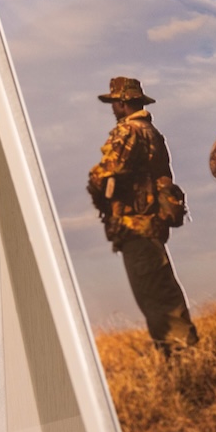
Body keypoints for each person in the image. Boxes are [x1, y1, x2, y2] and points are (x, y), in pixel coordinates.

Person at [88, 77, 199, 357]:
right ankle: (183, 351)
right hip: (151, 222)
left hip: (135, 225)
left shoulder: (127, 131)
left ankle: (180, 354)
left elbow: (103, 174)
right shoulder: (151, 131)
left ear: (123, 103)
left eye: (114, 103)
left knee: (151, 292)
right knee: (161, 287)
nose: (113, 109)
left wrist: (98, 190)